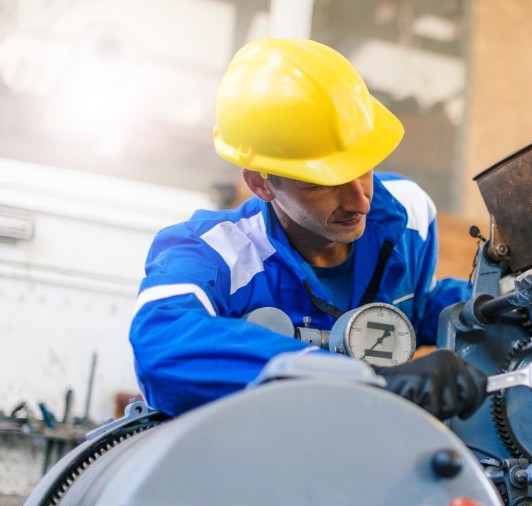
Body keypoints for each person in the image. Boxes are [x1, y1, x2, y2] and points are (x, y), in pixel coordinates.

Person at [129, 38, 486, 420]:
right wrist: (362, 380)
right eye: (322, 182)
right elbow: (161, 345)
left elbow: (417, 303)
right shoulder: (213, 252)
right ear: (261, 184)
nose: (360, 201)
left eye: (363, 166)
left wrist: (492, 304)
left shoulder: (408, 215)